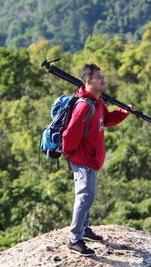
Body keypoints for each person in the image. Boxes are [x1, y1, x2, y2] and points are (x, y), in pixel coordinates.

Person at [62, 64, 134, 256]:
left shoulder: (97, 102)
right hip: (83, 159)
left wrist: (123, 113)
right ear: (88, 81)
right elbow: (70, 135)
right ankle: (74, 239)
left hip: (91, 159)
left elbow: (106, 120)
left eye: (103, 76)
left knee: (88, 196)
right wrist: (71, 154)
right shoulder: (84, 106)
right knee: (85, 197)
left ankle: (84, 229)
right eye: (98, 77)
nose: (103, 80)